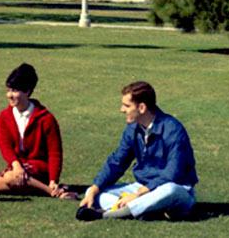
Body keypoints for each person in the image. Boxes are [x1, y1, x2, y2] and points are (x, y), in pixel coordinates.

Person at [76, 81, 198, 221]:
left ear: (141, 107)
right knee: (98, 194)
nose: (122, 109)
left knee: (170, 190)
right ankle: (146, 209)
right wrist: (94, 188)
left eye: (126, 106)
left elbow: (173, 173)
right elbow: (117, 162)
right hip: (142, 188)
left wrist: (139, 194)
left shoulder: (173, 130)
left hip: (174, 190)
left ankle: (107, 214)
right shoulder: (133, 129)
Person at [0, 63, 72, 199]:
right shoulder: (4, 117)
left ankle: (50, 191)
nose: (9, 95)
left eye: (15, 91)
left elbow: (55, 152)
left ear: (27, 91)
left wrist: (53, 180)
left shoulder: (46, 119)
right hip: (18, 166)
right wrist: (16, 165)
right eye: (9, 90)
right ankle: (37, 187)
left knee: (10, 177)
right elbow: (5, 146)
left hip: (39, 167)